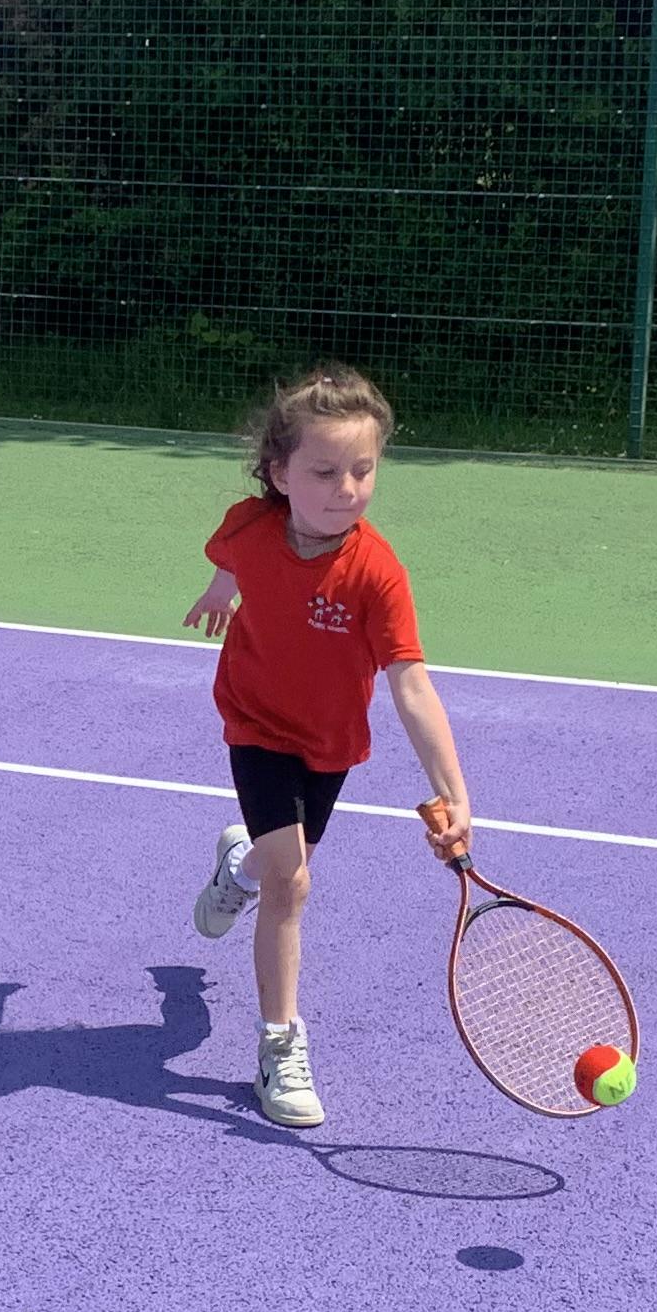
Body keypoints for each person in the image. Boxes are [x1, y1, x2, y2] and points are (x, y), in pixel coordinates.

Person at [182, 366, 471, 1129]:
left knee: (280, 866)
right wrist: (220, 590)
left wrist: (455, 792)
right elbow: (231, 555)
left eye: (363, 471)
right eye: (324, 472)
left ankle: (238, 866)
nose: (347, 489)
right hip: (254, 721)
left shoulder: (377, 575)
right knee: (294, 884)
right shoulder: (249, 527)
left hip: (330, 743)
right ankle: (279, 1045)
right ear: (280, 474)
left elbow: (411, 684)